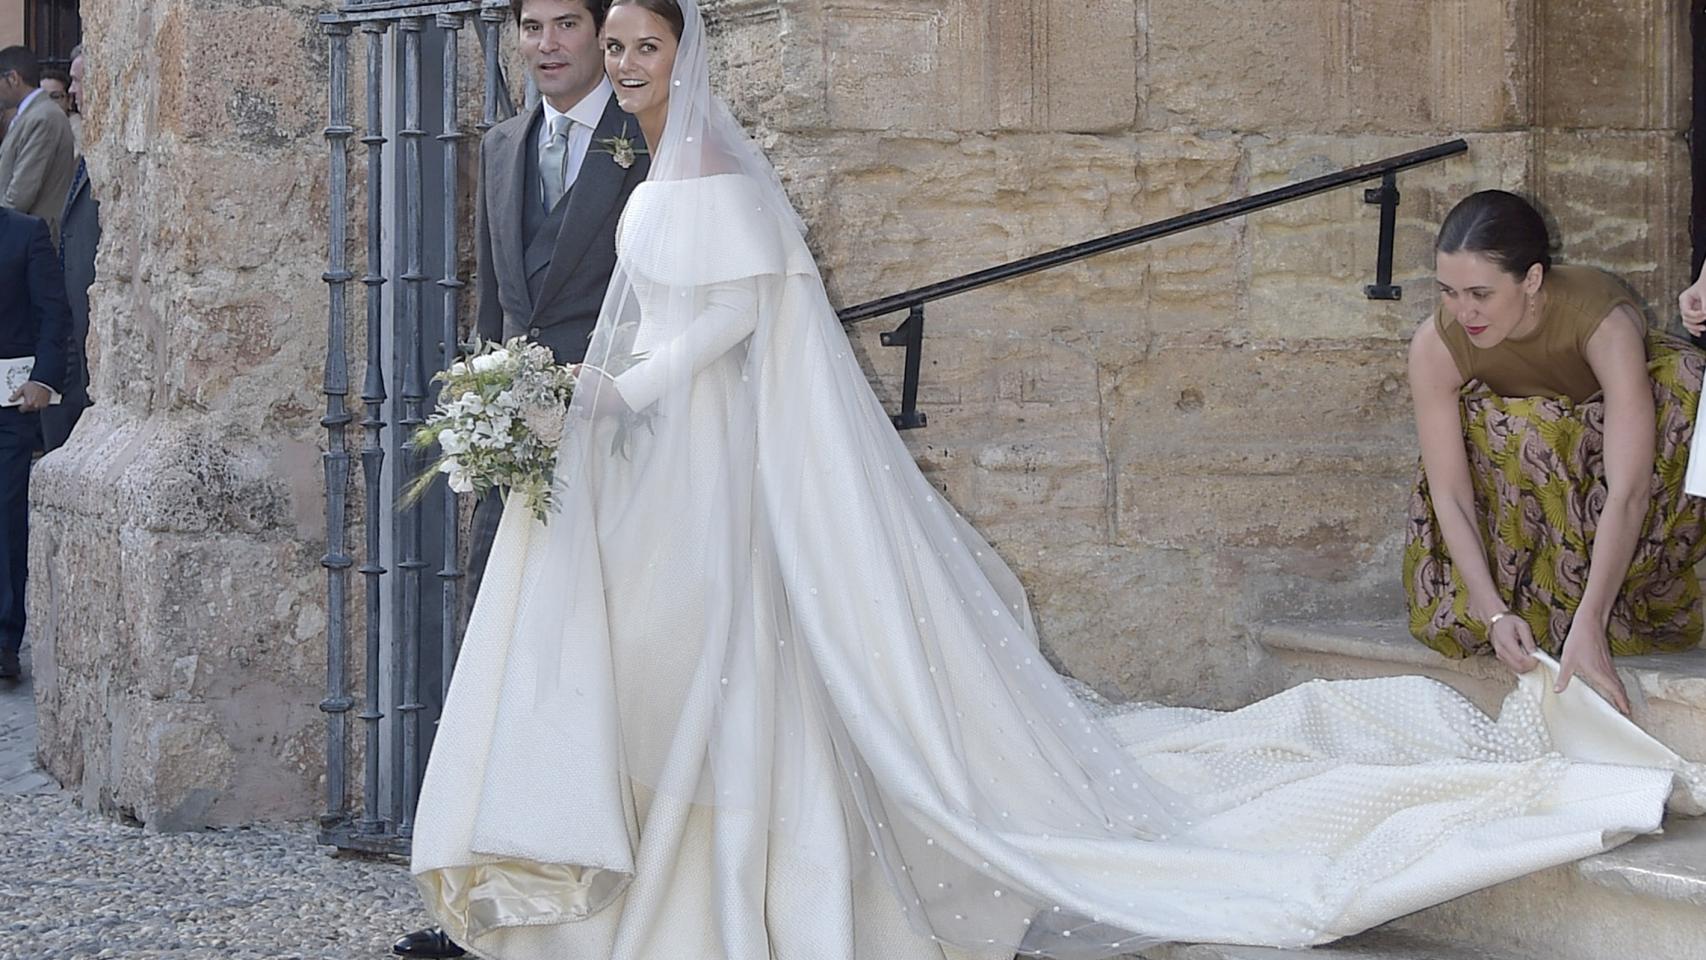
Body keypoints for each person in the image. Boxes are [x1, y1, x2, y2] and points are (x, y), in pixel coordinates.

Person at [412, 6, 1703, 958]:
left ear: (683, 50)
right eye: (614, 48)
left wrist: (604, 390)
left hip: (696, 465)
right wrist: (573, 391)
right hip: (664, 472)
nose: (626, 66)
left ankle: (738, 892)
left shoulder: (715, 177)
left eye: (642, 46)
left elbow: (735, 325)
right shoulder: (643, 166)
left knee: (727, 675)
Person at [390, 1, 647, 957]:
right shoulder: (501, 144)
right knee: (502, 671)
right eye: (530, 25)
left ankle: (606, 901)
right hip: (517, 459)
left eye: (566, 24)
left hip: (619, 452)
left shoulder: (646, 136)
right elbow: (498, 304)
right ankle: (493, 909)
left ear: (602, 33)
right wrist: (484, 412)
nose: (545, 44)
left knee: (596, 668)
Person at [1404, 190, 1706, 716]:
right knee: (1524, 427)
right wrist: (1494, 614)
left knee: (1686, 384)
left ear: (1534, 279)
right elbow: (1449, 492)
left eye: (1481, 293)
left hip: (1611, 452)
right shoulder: (1437, 342)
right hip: (1531, 467)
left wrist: (1590, 623)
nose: (1464, 311)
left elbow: (1630, 489)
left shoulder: (1600, 320)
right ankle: (1527, 601)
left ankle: (1598, 605)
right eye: (1448, 292)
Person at [0, 208, 69, 681]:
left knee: (6, 517)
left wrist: (43, 378)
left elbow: (53, 313)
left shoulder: (26, 233)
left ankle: (4, 641)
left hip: (8, 403)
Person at [41, 51, 96, 452]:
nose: (73, 94)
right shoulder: (87, 149)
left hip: (91, 318)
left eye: (78, 82)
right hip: (71, 318)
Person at [0, 47, 76, 241]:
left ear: (13, 78)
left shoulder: (43, 117)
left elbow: (21, 192)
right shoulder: (30, 115)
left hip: (33, 240)